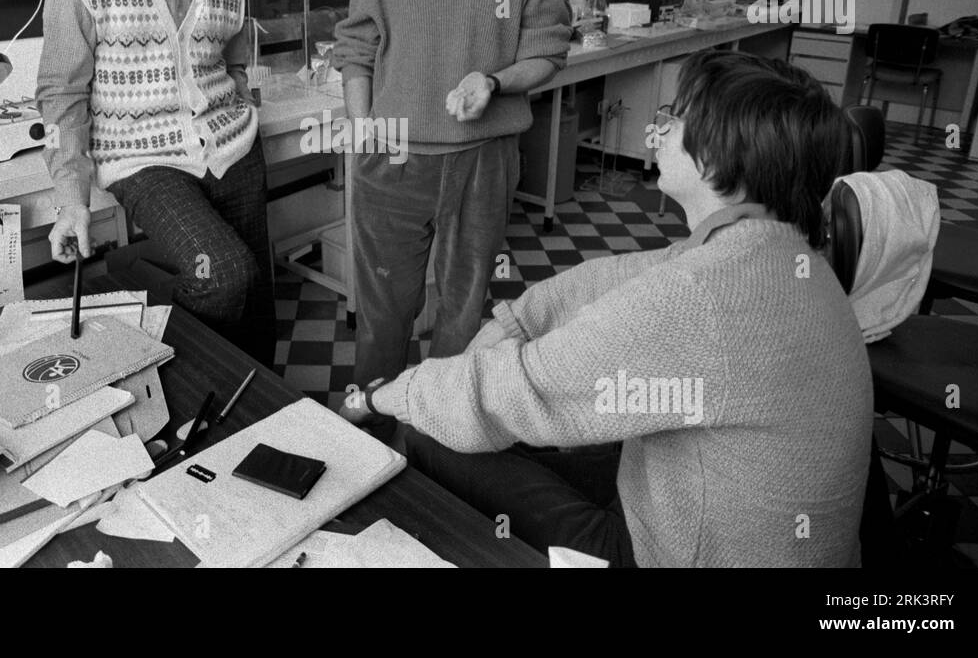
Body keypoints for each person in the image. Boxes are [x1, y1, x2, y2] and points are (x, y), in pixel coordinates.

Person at [342, 50, 874, 567]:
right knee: (512, 432)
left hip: (667, 552)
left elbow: (526, 388)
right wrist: (516, 321)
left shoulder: (703, 298)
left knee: (433, 435)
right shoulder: (778, 254)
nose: (659, 126)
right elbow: (615, 278)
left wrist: (387, 395)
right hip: (707, 515)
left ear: (716, 157)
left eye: (675, 116)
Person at [331, 0, 571, 406]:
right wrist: (362, 126)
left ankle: (440, 434)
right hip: (394, 161)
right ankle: (376, 422)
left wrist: (493, 82)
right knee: (386, 310)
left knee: (464, 310)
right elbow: (356, 46)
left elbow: (549, 52)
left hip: (484, 160)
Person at [36, 0, 275, 366]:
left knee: (257, 298)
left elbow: (235, 62)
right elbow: (62, 92)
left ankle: (267, 406)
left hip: (233, 146)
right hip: (144, 158)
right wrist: (71, 200)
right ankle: (149, 355)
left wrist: (237, 105)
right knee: (223, 276)